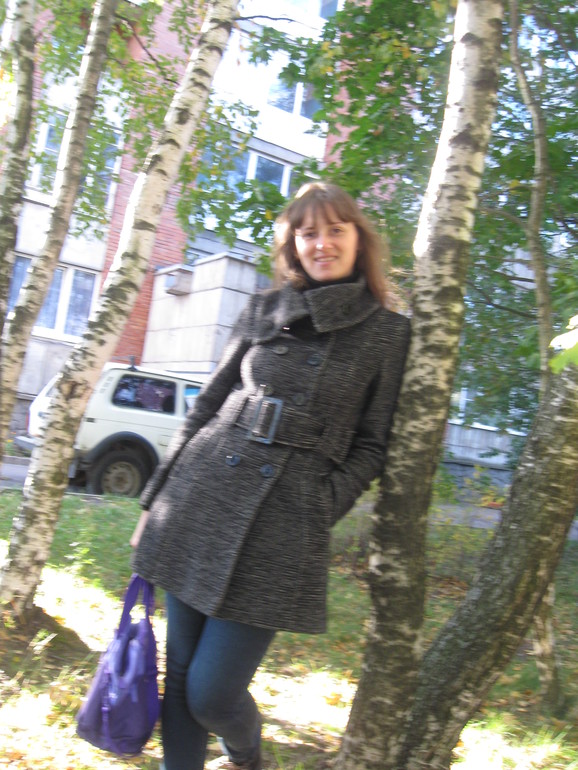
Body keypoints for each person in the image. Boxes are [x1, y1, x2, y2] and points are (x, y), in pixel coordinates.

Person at [130, 182, 411, 770]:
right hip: (201, 495)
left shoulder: (387, 333)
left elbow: (373, 444)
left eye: (335, 230)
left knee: (212, 694)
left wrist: (322, 504)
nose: (322, 243)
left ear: (359, 240)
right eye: (308, 233)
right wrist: (155, 502)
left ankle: (245, 754)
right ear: (293, 244)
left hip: (285, 521)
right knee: (179, 674)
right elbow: (207, 404)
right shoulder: (264, 309)